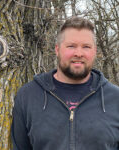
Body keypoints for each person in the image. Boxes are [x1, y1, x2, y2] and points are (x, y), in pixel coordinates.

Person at [11, 16, 119, 150]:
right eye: (71, 46)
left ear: (94, 51)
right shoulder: (28, 96)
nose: (79, 53)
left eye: (86, 47)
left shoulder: (115, 98)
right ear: (57, 49)